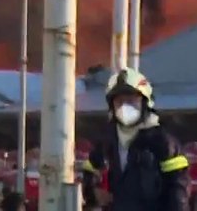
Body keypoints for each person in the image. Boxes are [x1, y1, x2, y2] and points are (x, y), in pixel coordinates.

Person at [80, 69, 189, 211]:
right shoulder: (107, 140)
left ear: (145, 103)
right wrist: (93, 193)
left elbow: (178, 190)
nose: (125, 107)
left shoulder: (164, 143)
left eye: (131, 101)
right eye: (119, 101)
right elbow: (89, 172)